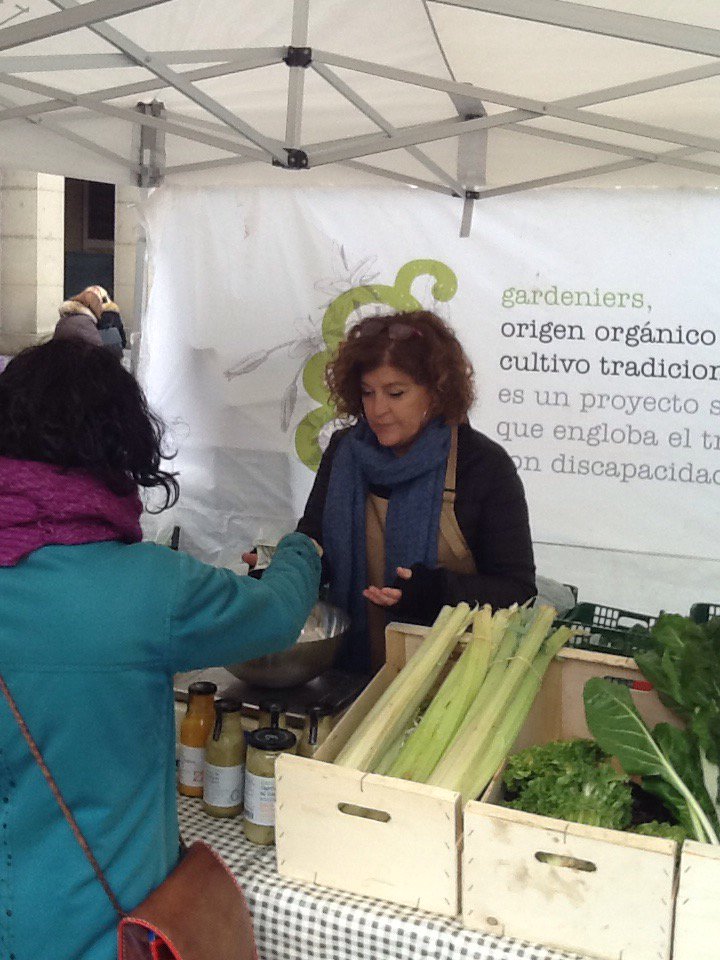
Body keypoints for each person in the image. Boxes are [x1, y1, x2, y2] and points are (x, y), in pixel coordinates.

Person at [0, 338, 321, 960]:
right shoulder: (148, 585)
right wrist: (303, 550)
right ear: (118, 446)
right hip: (102, 926)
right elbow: (278, 617)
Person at [295, 310, 536, 675]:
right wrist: (282, 569)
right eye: (367, 393)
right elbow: (316, 545)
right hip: (349, 673)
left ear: (437, 392)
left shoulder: (482, 466)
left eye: (396, 393)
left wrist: (438, 593)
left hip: (449, 677)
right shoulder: (344, 452)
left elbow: (517, 590)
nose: (378, 410)